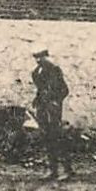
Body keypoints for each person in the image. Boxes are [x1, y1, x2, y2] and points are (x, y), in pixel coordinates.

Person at [32, 48, 74, 181]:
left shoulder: (54, 70)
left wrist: (55, 101)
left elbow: (64, 90)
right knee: (46, 138)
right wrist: (37, 100)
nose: (39, 60)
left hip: (53, 109)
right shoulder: (36, 72)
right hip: (42, 109)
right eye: (36, 57)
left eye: (41, 57)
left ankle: (67, 169)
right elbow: (40, 89)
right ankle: (53, 170)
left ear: (46, 56)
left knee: (58, 138)